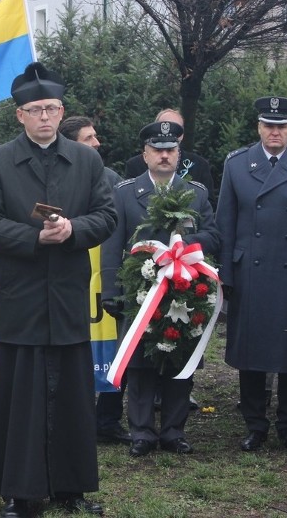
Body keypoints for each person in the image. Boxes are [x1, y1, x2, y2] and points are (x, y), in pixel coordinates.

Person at [0, 62, 115, 517]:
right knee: (19, 399)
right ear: (20, 116)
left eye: (52, 109)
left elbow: (107, 216)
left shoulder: (87, 159)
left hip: (68, 297)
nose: (45, 118)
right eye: (35, 110)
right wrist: (34, 238)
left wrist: (73, 229)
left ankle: (71, 489)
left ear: (62, 110)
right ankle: (19, 493)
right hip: (21, 298)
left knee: (73, 395)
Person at [216, 97, 287, 451]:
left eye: (282, 126)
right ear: (259, 128)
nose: (275, 131)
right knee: (252, 354)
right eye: (269, 125)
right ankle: (255, 425)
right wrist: (226, 275)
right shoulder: (237, 165)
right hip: (249, 270)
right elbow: (226, 222)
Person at [101, 121, 220, 457]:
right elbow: (112, 244)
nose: (164, 155)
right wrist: (110, 290)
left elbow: (213, 235)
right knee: (139, 364)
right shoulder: (125, 192)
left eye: (170, 150)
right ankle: (142, 432)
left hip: (184, 288)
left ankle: (173, 431)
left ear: (178, 154)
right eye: (158, 150)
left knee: (179, 360)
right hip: (139, 290)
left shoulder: (195, 192)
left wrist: (186, 244)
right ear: (146, 154)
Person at [59, 116, 130, 446]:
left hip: (105, 281)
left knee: (114, 351)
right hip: (66, 282)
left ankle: (107, 419)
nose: (98, 144)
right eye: (90, 139)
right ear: (72, 143)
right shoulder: (54, 177)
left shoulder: (113, 180)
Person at [125, 109, 215, 202]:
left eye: (176, 128)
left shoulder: (199, 165)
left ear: (182, 135)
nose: (168, 133)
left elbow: (208, 204)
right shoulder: (135, 165)